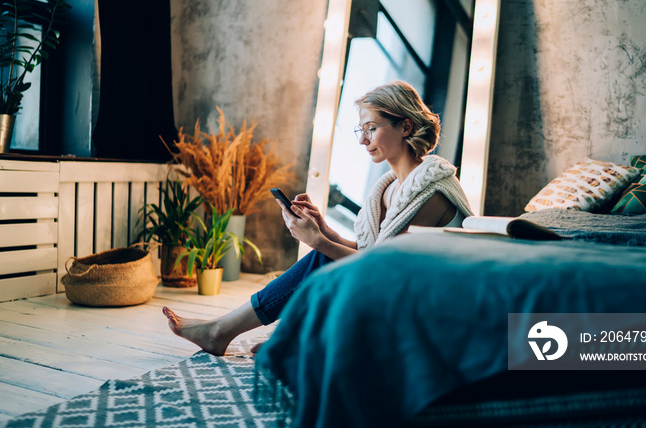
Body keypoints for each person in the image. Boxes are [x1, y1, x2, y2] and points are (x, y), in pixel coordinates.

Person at [162, 81, 473, 355]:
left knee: (324, 260)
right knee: (324, 257)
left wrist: (320, 242)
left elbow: (380, 266)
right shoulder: (390, 188)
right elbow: (371, 253)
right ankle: (282, 336)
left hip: (431, 300)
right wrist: (325, 230)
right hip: (400, 284)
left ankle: (230, 332)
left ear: (405, 127)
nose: (362, 140)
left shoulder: (429, 190)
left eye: (372, 128)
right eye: (360, 130)